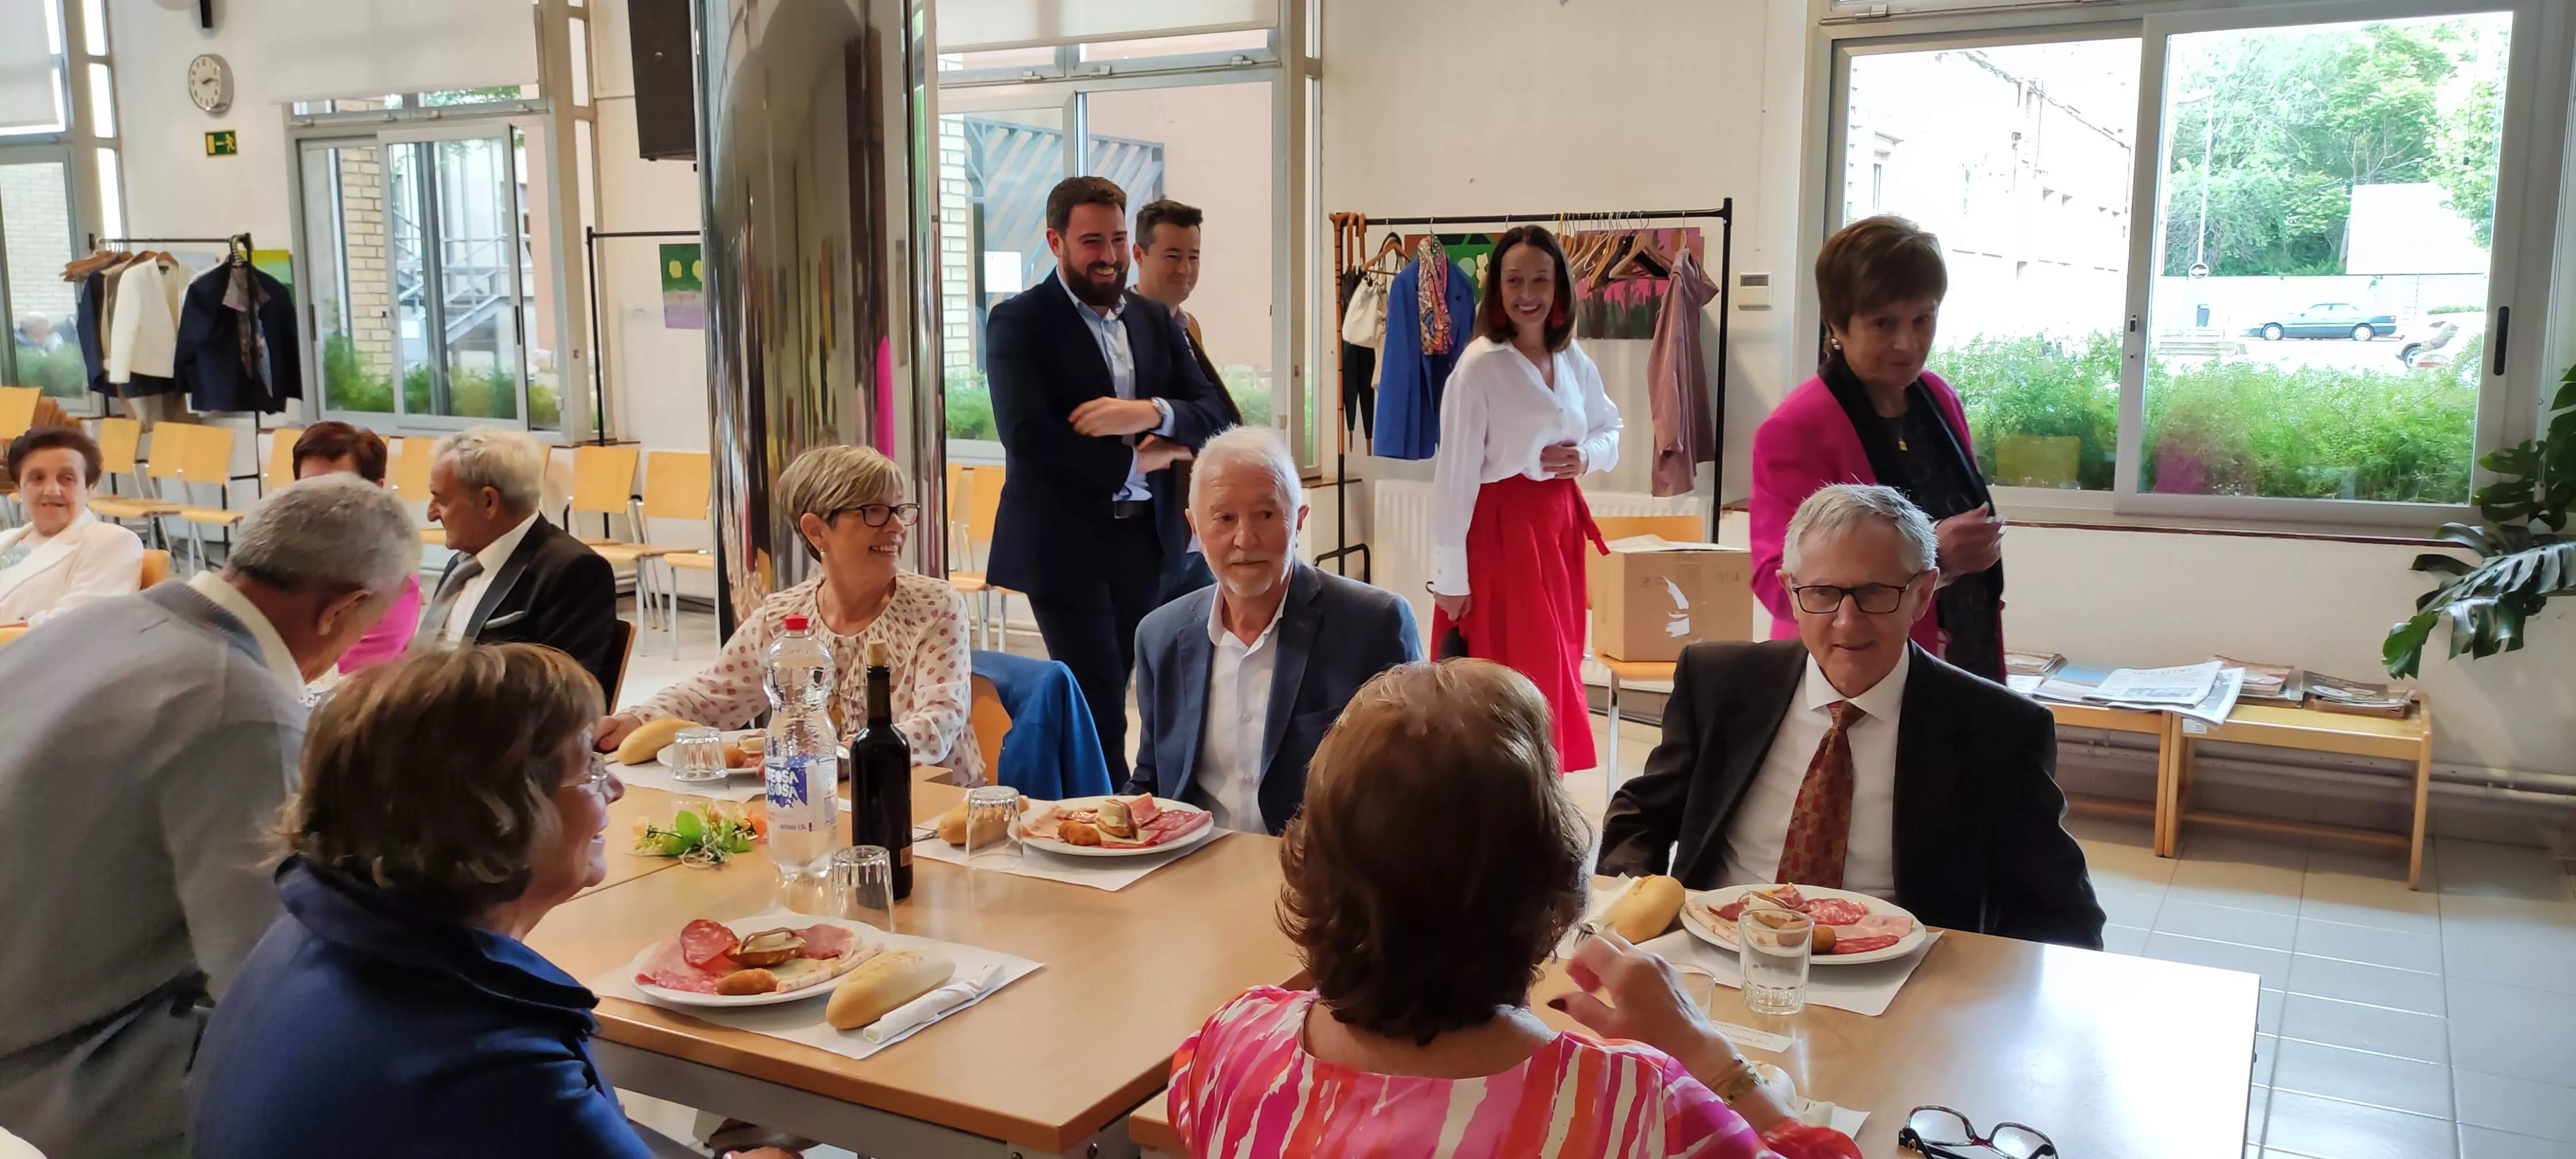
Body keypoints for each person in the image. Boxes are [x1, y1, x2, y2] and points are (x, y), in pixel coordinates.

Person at [1168, 659, 1860, 1159]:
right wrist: (1712, 1061)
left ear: (1311, 866)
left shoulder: (1227, 1047)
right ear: (1551, 889)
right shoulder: (1643, 1112)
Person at [189, 646, 796, 1159]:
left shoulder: (311, 934)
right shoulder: (481, 1055)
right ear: (499, 813)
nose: (613, 787)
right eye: (588, 766)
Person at [0, 475, 418, 1157]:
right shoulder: (238, 706)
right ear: (340, 609)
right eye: (363, 631)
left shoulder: (94, 622)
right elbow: (268, 982)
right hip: (63, 1084)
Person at [1598, 485, 2104, 949]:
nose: (1847, 622)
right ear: (1790, 590)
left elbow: (2060, 913)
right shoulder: (1719, 682)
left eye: (1875, 593)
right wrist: (1628, 913)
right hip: (1721, 948)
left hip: (1901, 974)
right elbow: (1642, 814)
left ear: (1923, 594)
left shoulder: (1998, 728)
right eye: (1822, 593)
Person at [984, 176, 1229, 781]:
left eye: (1118, 240)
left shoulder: (1151, 318)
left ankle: (1114, 811)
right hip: (1063, 542)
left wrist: (1147, 412)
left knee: (1129, 687)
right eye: (1091, 241)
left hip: (1145, 539)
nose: (1110, 256)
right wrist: (1136, 459)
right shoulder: (1019, 321)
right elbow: (1029, 437)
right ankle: (1103, 827)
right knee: (1097, 699)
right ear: (1055, 241)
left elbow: (1215, 413)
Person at [596, 445, 982, 781]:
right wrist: (640, 719)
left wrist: (844, 755)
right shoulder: (783, 618)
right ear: (816, 531)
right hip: (819, 803)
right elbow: (712, 696)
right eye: (875, 512)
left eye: (900, 511)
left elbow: (939, 721)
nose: (897, 527)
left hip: (924, 807)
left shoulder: (935, 606)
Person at [1125, 427, 1419, 835]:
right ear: (1194, 526)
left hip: (1321, 876)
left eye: (1266, 515)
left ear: (1299, 521)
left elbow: (1411, 788)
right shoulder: (1160, 636)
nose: (1245, 539)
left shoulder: (1374, 624)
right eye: (1224, 518)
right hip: (1194, 871)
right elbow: (1153, 782)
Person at [1751, 215, 2006, 684]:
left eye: (1922, 319)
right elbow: (1776, 580)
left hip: (1962, 657)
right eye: (1882, 323)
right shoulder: (1796, 428)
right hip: (1849, 674)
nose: (1907, 343)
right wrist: (1932, 557)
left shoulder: (1940, 398)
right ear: (1837, 326)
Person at [1427, 224, 1621, 770]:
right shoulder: (1478, 366)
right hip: (1499, 532)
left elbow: (1613, 428)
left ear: (1560, 287)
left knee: (1558, 657)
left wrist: (1586, 457)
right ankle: (1501, 787)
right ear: (1498, 289)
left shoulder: (1574, 360)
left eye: (1541, 279)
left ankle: (1543, 786)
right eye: (1515, 280)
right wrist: (1451, 579)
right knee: (1510, 666)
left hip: (1556, 528)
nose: (1528, 293)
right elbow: (1456, 475)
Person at [417, 425, 621, 697]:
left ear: (489, 502)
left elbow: (560, 696)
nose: (431, 515)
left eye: (440, 501)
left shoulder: (572, 570)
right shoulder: (461, 566)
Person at [1132, 197, 1243, 605]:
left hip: (1198, 523)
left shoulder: (1188, 325)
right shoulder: (1122, 329)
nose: (1185, 269)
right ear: (1139, 255)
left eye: (1193, 256)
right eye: (1173, 256)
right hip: (1150, 526)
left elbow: (1212, 415)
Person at [292, 422, 423, 673]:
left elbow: (350, 680)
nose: (319, 502)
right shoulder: (286, 553)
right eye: (306, 488)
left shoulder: (393, 579)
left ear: (376, 490)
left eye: (338, 489)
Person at [0, 426, 144, 625]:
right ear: (19, 489)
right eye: (37, 478)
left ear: (89, 488)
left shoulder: (112, 542)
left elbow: (78, 626)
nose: (52, 490)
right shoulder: (6, 539)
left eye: (67, 479)